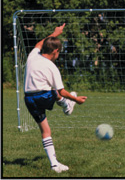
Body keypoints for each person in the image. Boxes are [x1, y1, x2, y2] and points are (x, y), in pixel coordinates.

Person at [24, 23, 88, 173]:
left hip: (29, 99)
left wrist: (55, 33)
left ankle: (54, 165)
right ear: (55, 51)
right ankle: (67, 106)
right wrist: (76, 100)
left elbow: (39, 44)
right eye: (59, 52)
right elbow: (62, 91)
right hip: (43, 96)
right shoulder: (51, 67)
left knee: (46, 131)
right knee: (55, 91)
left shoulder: (32, 56)